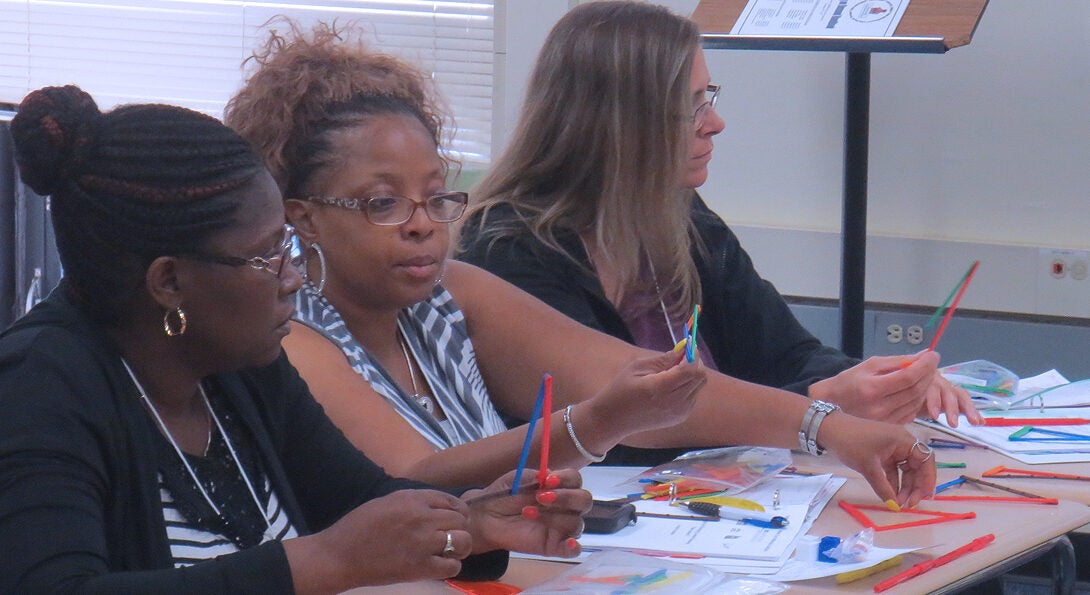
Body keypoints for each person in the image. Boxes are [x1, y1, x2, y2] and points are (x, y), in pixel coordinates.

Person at [224, 20, 936, 508]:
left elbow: (658, 391)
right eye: (383, 204)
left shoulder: (452, 290)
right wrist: (593, 423)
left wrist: (833, 427)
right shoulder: (291, 336)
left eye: (437, 198)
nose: (420, 226)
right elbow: (410, 476)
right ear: (301, 215)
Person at [0, 85, 591, 592]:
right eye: (266, 257)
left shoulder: (239, 361)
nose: (293, 276)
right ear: (170, 281)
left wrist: (471, 523)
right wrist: (324, 562)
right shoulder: (39, 386)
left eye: (287, 246)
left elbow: (361, 499)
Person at [457, 0, 984, 435]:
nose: (716, 124)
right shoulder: (508, 249)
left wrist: (883, 382)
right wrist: (819, 407)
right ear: (618, 123)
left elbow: (786, 353)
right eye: (689, 107)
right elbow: (620, 428)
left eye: (707, 97)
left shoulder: (677, 214)